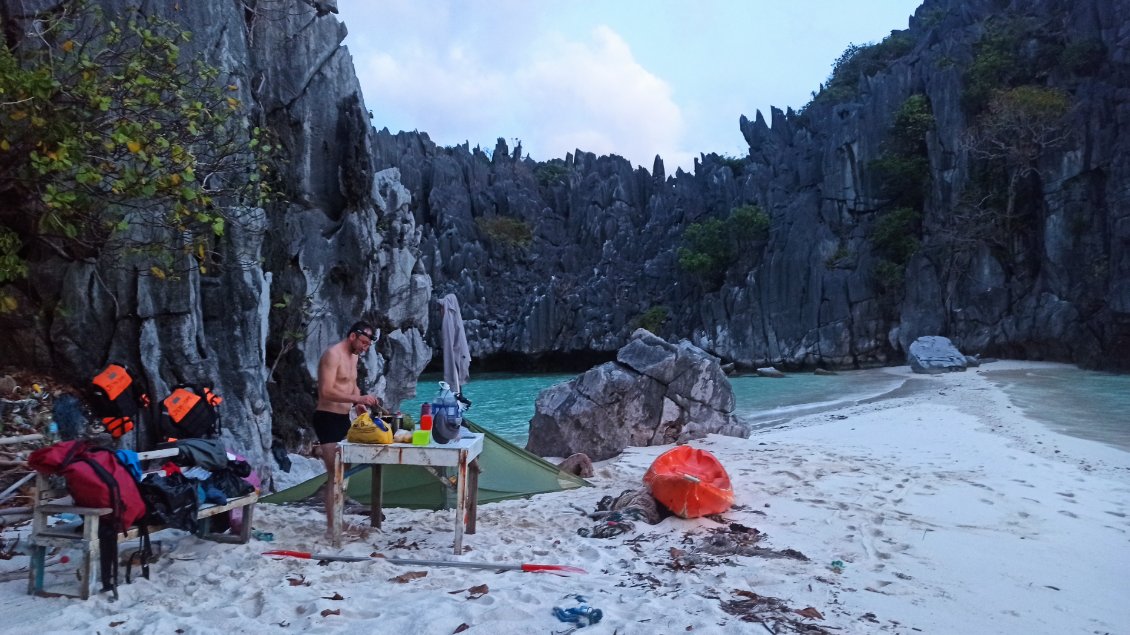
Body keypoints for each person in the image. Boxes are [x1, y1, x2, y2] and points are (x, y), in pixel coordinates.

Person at [313, 321, 380, 532]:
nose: (364, 348)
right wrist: (357, 398)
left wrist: (358, 402)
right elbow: (326, 391)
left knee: (344, 474)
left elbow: (351, 384)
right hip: (327, 418)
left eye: (368, 345)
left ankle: (338, 519)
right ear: (352, 336)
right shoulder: (332, 355)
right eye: (363, 342)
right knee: (335, 474)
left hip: (344, 419)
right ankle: (333, 526)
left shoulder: (354, 356)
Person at [439, 294, 472, 408]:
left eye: (442, 307)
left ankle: (458, 401)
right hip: (458, 358)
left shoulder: (450, 322)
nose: (440, 311)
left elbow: (453, 347)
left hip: (457, 359)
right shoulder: (451, 320)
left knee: (455, 380)